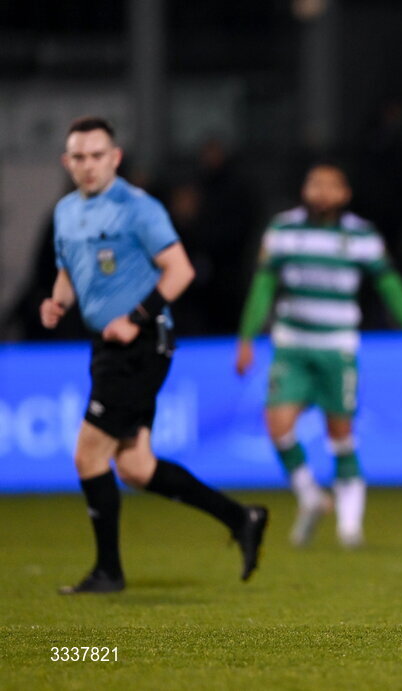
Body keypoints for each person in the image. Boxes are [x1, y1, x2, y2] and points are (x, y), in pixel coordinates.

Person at [42, 116, 268, 594]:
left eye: (97, 155)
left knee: (88, 454)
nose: (87, 165)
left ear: (115, 157)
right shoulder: (65, 211)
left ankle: (108, 572)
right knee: (136, 467)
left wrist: (136, 318)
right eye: (78, 157)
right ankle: (241, 517)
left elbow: (179, 271)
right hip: (108, 346)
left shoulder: (136, 207)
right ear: (67, 162)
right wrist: (57, 301)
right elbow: (70, 270)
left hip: (141, 345)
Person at [235, 163, 402, 547]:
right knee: (277, 424)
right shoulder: (283, 230)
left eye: (331, 185)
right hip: (292, 343)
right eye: (314, 183)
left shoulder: (361, 235)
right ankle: (310, 496)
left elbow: (389, 284)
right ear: (304, 190)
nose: (322, 191)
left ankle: (350, 525)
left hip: (337, 346)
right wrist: (246, 337)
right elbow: (263, 285)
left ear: (344, 194)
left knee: (339, 433)